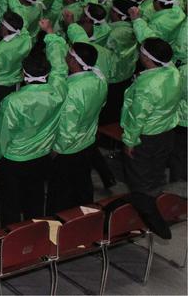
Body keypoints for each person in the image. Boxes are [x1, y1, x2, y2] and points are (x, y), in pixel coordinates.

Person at [0, 26, 67, 226]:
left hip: (15, 160)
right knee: (36, 199)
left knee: (11, 205)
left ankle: (11, 242)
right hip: (41, 156)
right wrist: (52, 37)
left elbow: (2, 134)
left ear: (24, 73)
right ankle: (35, 237)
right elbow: (60, 67)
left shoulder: (14, 101)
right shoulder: (58, 92)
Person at [120, 20, 184, 237]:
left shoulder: (147, 87)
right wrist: (138, 19)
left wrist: (129, 140)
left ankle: (152, 217)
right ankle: (161, 205)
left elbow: (138, 117)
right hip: (166, 133)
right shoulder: (173, 71)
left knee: (139, 180)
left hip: (145, 137)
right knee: (156, 175)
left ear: (146, 58)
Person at [48, 34, 109, 213]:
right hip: (87, 142)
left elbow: (68, 127)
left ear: (74, 62)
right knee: (82, 187)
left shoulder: (71, 90)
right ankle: (85, 223)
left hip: (68, 149)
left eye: (68, 55)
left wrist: (56, 149)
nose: (65, 57)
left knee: (61, 196)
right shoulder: (99, 78)